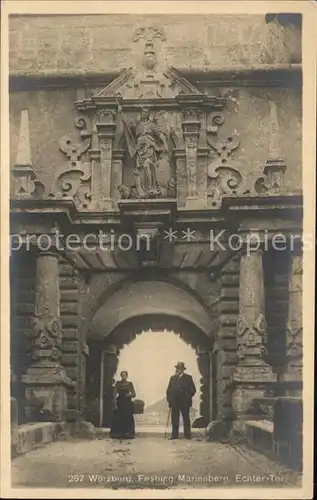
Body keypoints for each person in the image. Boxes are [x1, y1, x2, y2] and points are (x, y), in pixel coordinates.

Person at [166, 361, 196, 440]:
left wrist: (188, 396)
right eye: (177, 368)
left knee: (186, 418)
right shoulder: (172, 378)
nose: (177, 370)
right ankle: (174, 435)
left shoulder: (188, 378)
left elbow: (193, 389)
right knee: (174, 418)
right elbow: (168, 390)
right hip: (175, 402)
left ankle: (187, 435)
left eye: (179, 369)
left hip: (185, 402)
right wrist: (170, 400)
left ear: (183, 370)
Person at [109, 371, 136, 439]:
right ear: (121, 376)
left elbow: (134, 393)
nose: (123, 377)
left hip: (127, 402)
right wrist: (115, 402)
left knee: (128, 417)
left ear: (127, 376)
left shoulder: (130, 384)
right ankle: (118, 433)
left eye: (125, 375)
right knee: (119, 416)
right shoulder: (118, 383)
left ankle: (128, 433)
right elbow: (114, 392)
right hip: (120, 401)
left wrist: (130, 395)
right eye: (122, 375)